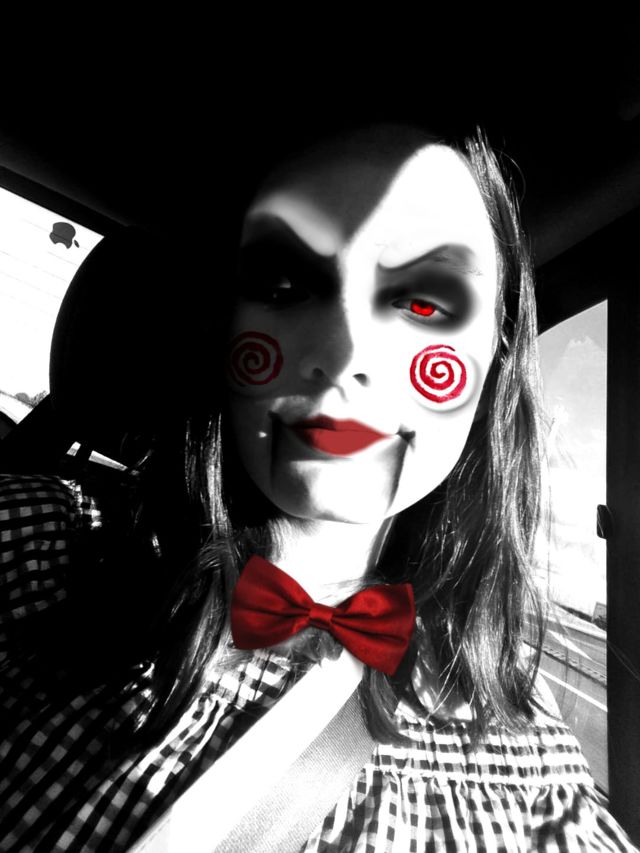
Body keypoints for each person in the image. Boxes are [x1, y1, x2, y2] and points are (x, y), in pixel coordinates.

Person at [0, 122, 636, 852]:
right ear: (221, 326)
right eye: (282, 285)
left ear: (495, 361)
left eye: (426, 301)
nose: (344, 354)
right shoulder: (37, 545)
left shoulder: (524, 752)